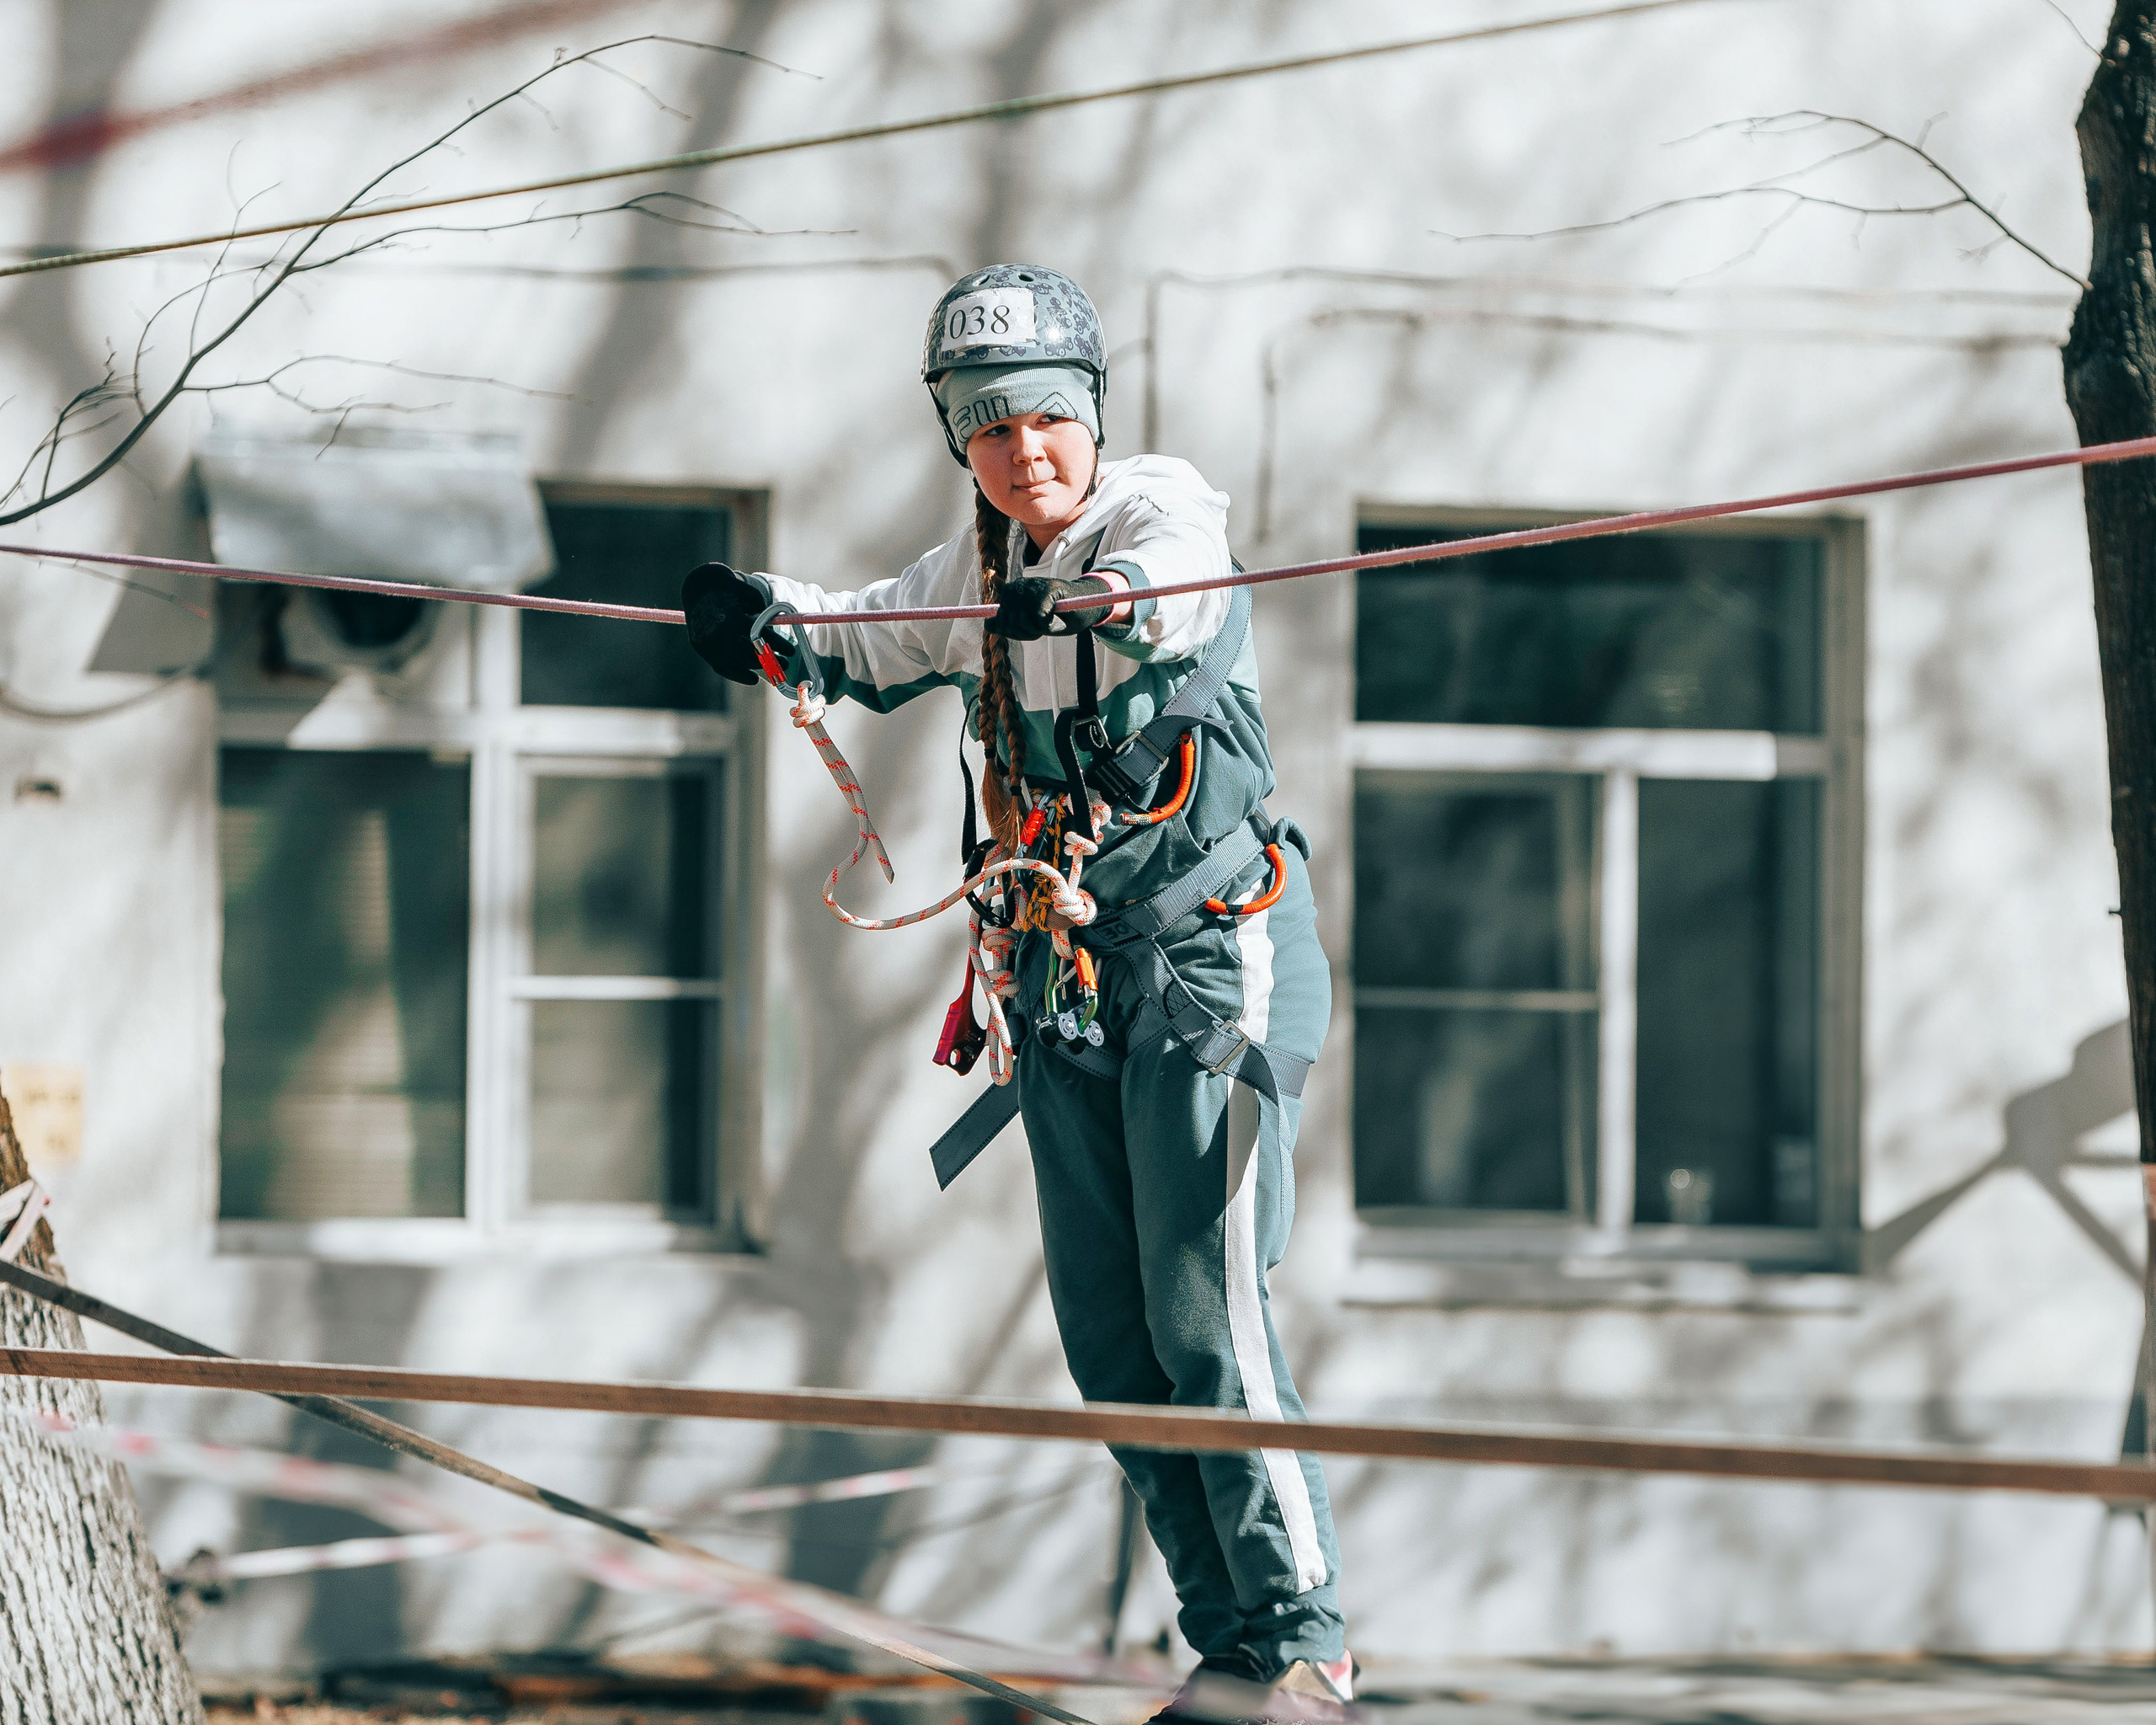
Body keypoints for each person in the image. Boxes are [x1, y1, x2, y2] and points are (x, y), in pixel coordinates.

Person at [681, 264, 1349, 1716]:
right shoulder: (969, 578)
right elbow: (858, 632)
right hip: (1063, 984)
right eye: (989, 430)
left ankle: (1306, 1646)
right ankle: (1227, 1650)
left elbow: (1166, 590)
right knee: (1115, 1347)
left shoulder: (1154, 512)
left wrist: (1100, 595)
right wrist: (758, 616)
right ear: (959, 445)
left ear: (1091, 418)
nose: (1026, 453)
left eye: (1048, 418)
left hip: (1203, 967)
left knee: (1205, 1317)